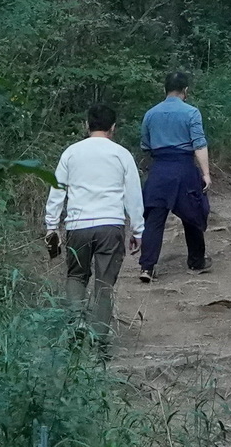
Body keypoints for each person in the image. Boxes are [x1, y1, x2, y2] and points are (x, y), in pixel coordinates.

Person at [44, 102, 141, 342]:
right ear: (113, 128)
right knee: (104, 283)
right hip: (111, 225)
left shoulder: (71, 153)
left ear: (87, 125)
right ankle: (99, 338)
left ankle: (75, 327)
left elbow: (57, 190)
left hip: (78, 225)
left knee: (76, 276)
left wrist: (51, 225)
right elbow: (133, 194)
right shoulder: (121, 154)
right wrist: (138, 229)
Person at [137, 69, 212, 281]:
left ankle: (147, 267)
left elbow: (145, 144)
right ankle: (196, 261)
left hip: (160, 168)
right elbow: (199, 144)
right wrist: (206, 173)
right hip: (184, 167)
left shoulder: (150, 114)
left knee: (155, 217)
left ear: (165, 89)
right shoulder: (191, 113)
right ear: (185, 90)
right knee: (193, 214)